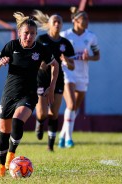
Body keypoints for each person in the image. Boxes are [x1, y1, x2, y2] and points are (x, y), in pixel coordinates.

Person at [0, 12, 59, 178]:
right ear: (20, 33)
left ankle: (11, 155)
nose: (29, 36)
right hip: (9, 94)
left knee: (17, 120)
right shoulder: (12, 46)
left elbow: (55, 65)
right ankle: (1, 166)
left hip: (28, 94)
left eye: (33, 34)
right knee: (3, 132)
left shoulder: (41, 49)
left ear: (36, 35)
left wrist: (51, 87)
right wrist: (0, 63)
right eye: (26, 33)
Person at [32, 10, 75, 152]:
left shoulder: (65, 43)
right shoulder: (41, 40)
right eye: (54, 22)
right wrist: (40, 65)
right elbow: (33, 60)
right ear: (49, 24)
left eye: (59, 22)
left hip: (57, 79)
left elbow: (72, 66)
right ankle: (39, 122)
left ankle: (50, 145)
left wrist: (66, 61)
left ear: (62, 25)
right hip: (41, 79)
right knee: (43, 113)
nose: (57, 24)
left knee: (54, 113)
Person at [58, 7, 100, 148]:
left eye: (88, 18)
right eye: (84, 19)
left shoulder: (91, 36)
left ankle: (62, 135)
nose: (87, 21)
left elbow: (97, 56)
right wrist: (63, 58)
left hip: (83, 74)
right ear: (75, 20)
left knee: (75, 107)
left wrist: (90, 58)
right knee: (70, 104)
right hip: (68, 72)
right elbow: (57, 53)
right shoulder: (65, 35)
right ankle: (69, 138)